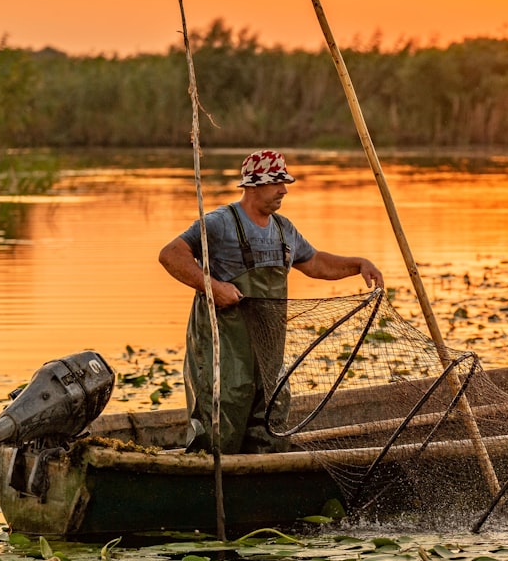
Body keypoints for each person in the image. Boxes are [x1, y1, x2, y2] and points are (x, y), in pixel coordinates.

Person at [159, 149, 384, 454]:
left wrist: (357, 264)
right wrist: (212, 287)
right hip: (224, 346)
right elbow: (171, 254)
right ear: (253, 185)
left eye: (284, 182)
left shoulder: (283, 229)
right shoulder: (220, 223)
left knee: (273, 408)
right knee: (224, 408)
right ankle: (214, 479)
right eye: (277, 182)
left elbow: (315, 262)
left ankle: (261, 474)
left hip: (268, 348)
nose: (284, 189)